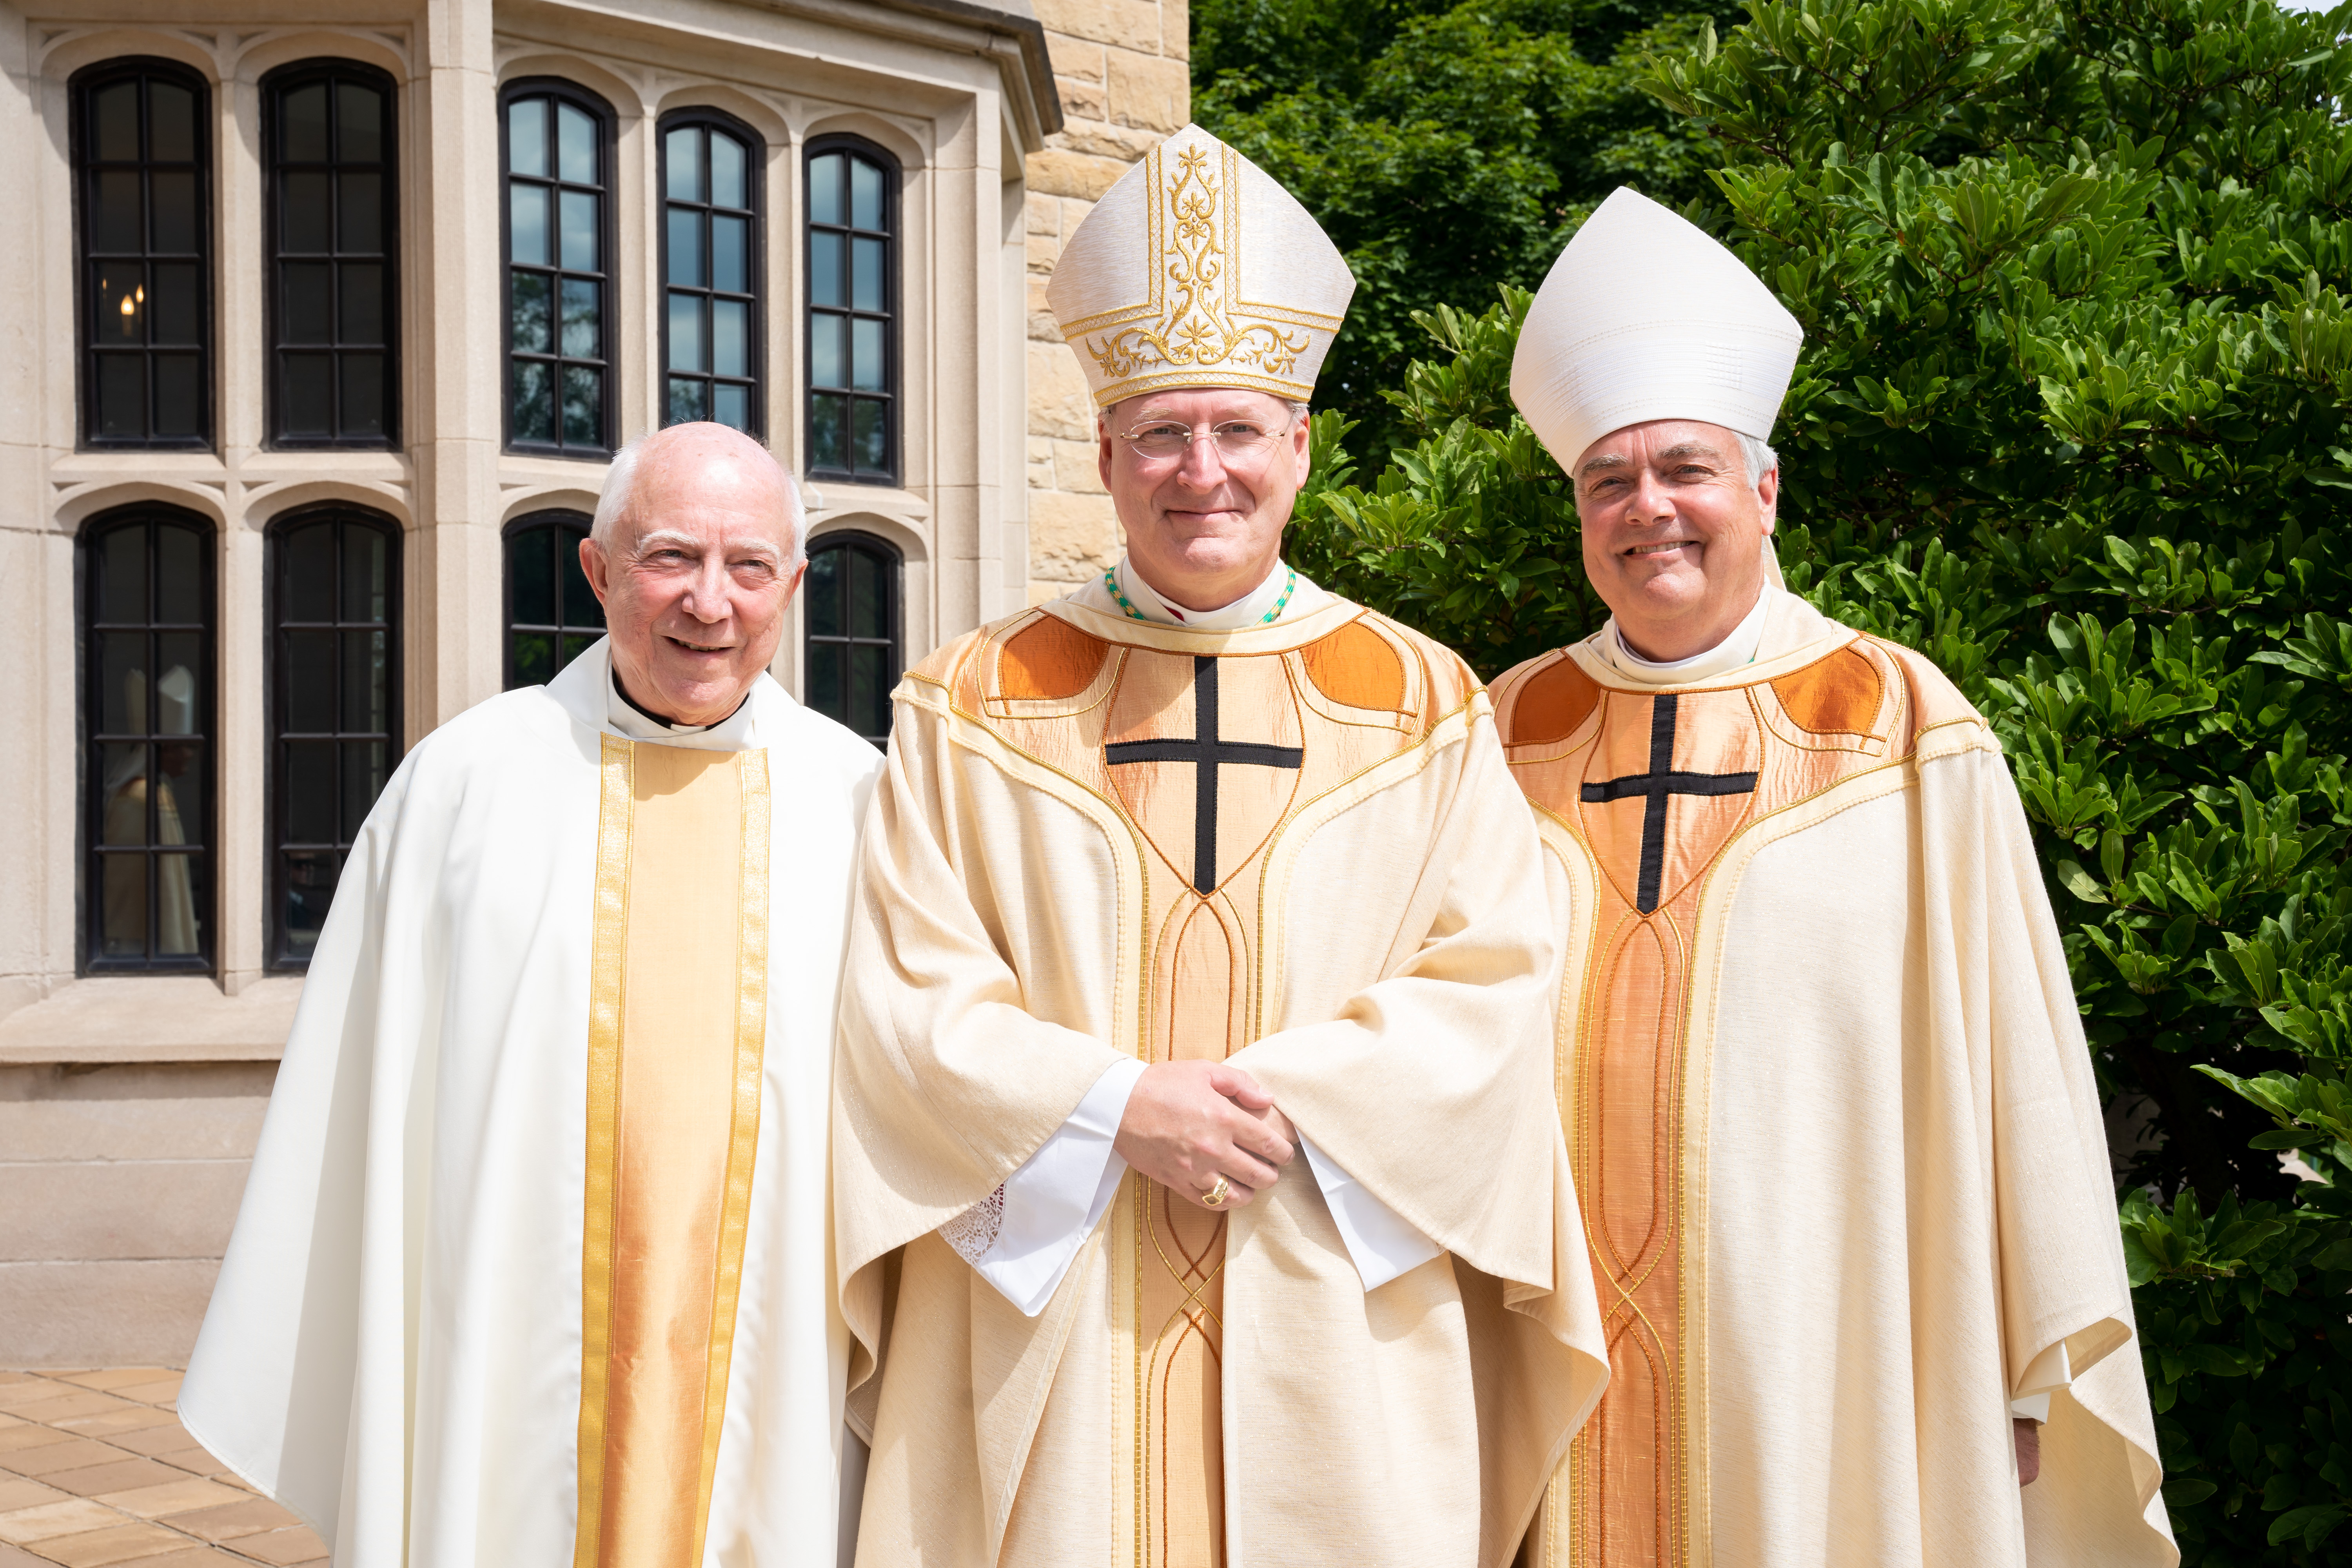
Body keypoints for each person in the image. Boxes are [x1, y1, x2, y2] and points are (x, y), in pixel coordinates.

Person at [830, 123, 1608, 1568]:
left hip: (1325, 1286)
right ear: (1109, 454)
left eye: (1238, 431)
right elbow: (905, 997)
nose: (1204, 473)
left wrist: (1269, 1106)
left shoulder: (1422, 699)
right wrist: (1118, 1105)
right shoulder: (972, 700)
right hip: (1052, 1316)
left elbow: (1498, 979)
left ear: (1299, 450)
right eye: (1164, 436)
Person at [1490, 187, 2174, 1566]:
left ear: (1764, 488)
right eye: (1607, 482)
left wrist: (2028, 1361)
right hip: (1545, 1348)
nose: (1648, 511)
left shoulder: (1901, 719)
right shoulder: (1505, 730)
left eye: (1683, 469)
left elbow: (2012, 1057)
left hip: (1829, 1347)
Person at [180, 423, 883, 1567]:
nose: (711, 603)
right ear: (599, 570)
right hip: (509, 1367)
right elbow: (365, 1109)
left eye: (749, 566)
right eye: (670, 558)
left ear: (791, 587)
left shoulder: (861, 805)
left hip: (774, 1359)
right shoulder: (463, 788)